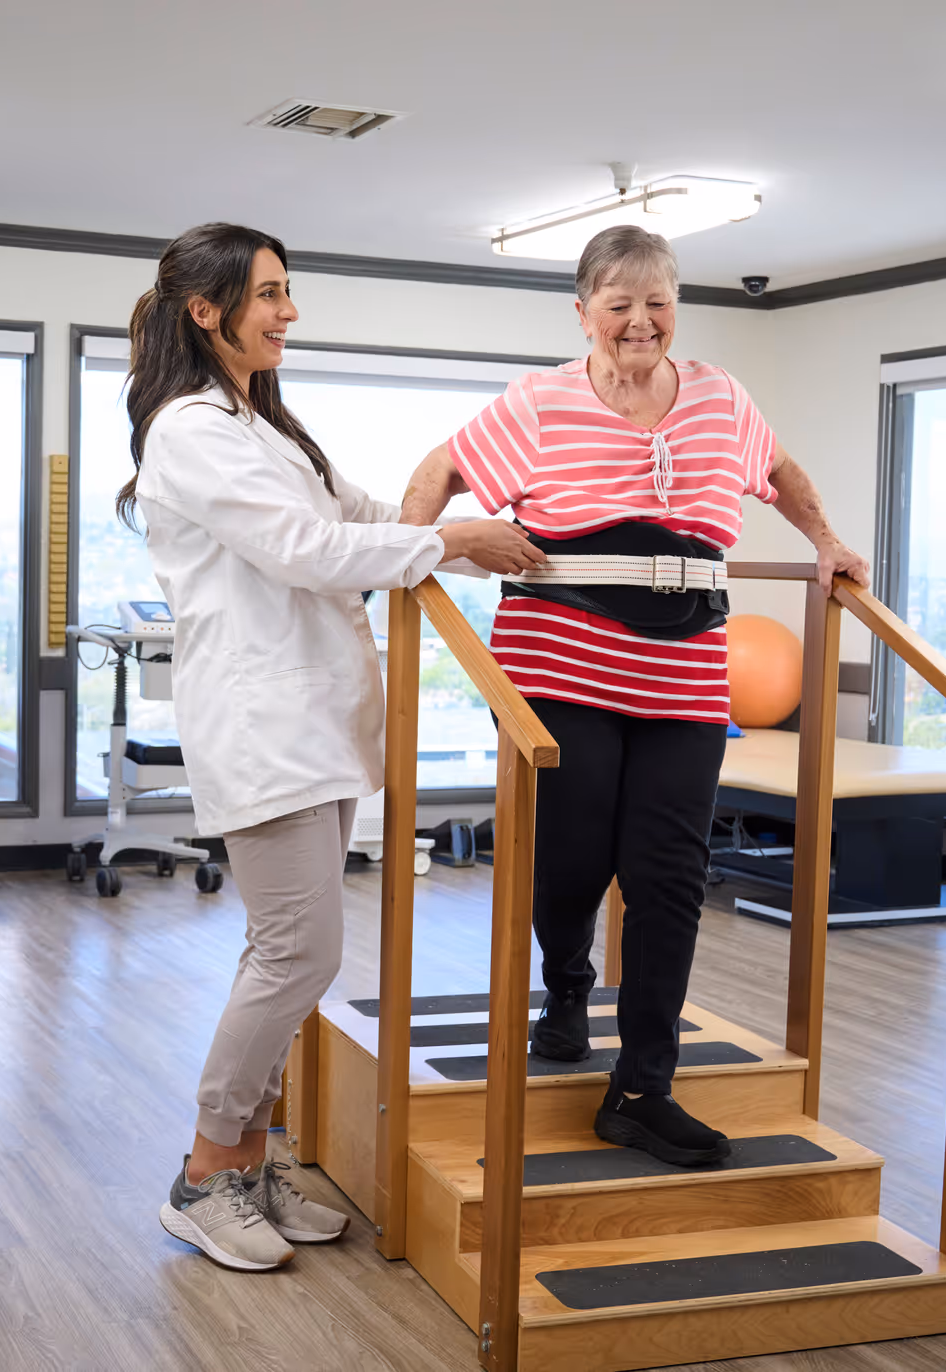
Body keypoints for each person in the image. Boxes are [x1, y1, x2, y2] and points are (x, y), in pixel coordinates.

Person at [123, 222, 546, 1271]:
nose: (289, 312)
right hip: (263, 728)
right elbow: (308, 551)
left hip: (316, 725)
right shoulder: (190, 429)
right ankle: (206, 1170)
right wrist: (450, 540)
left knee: (296, 956)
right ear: (207, 309)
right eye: (269, 293)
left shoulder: (265, 426)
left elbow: (349, 513)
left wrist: (458, 512)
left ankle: (250, 1162)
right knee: (297, 952)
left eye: (287, 291)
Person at [400, 225, 871, 1166]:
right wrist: (407, 549)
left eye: (656, 302)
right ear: (584, 315)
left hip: (685, 671)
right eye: (618, 306)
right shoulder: (539, 402)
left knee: (669, 874)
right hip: (559, 663)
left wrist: (826, 541)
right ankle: (568, 986)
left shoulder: (719, 398)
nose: (640, 322)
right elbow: (442, 468)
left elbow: (778, 472)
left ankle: (643, 1086)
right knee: (571, 861)